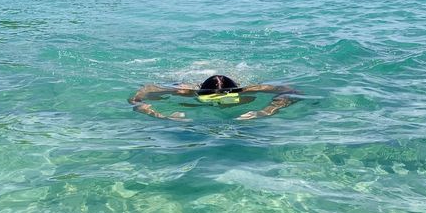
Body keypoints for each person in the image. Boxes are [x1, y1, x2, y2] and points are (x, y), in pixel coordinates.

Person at [129, 74, 301, 121]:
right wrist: (160, 116)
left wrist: (266, 111)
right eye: (211, 99)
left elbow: (292, 92)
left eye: (225, 99)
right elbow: (138, 97)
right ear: (201, 95)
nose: (218, 104)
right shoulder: (185, 91)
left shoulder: (248, 90)